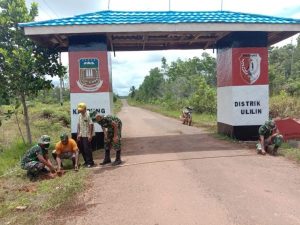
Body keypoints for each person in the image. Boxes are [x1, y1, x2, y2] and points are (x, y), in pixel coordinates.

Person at [77, 102, 95, 167]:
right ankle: (86, 161)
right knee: (82, 149)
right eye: (79, 109)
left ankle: (90, 162)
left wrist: (90, 135)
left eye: (81, 109)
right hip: (81, 134)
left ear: (85, 108)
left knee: (87, 149)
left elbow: (91, 124)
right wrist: (78, 134)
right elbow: (78, 124)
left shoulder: (89, 114)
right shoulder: (79, 115)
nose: (80, 111)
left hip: (87, 134)